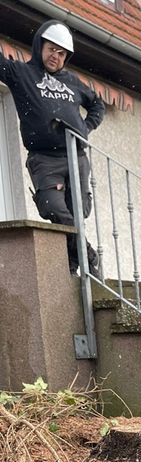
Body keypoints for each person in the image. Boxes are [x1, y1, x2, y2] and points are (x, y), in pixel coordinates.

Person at [0, 20, 105, 276]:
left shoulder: (72, 81)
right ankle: (87, 254)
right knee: (55, 210)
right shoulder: (22, 74)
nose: (55, 56)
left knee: (78, 213)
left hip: (76, 157)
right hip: (44, 159)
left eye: (61, 53)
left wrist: (84, 128)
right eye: (50, 49)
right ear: (39, 46)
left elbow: (97, 106)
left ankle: (71, 266)